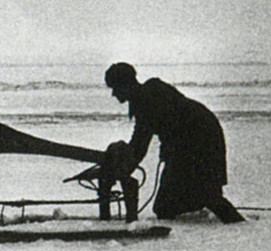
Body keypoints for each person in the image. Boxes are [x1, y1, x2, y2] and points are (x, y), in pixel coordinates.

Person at [104, 63, 244, 223]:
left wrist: (120, 170)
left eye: (115, 88)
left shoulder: (146, 101)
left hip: (200, 141)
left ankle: (236, 224)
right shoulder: (147, 95)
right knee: (181, 200)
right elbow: (140, 142)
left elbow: (139, 145)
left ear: (126, 85)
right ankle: (203, 207)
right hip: (197, 137)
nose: (114, 94)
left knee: (192, 199)